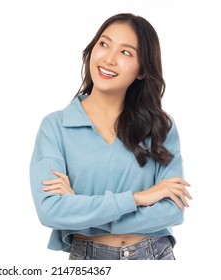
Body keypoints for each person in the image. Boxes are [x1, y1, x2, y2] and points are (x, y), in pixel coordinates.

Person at [29, 13, 192, 260]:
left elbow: (172, 211)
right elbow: (50, 211)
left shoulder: (160, 126)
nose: (109, 59)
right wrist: (139, 198)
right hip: (89, 261)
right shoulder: (55, 127)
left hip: (155, 256)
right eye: (104, 44)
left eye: (126, 53)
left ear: (141, 70)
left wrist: (83, 213)